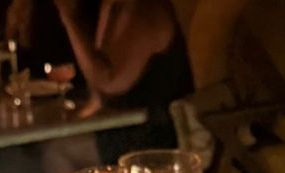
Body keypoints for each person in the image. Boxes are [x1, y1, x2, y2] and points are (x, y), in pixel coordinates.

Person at [53, 0, 194, 164]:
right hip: (128, 125)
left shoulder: (147, 11)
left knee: (57, 150)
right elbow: (98, 93)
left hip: (157, 134)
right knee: (49, 145)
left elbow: (108, 80)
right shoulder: (114, 7)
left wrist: (69, 17)